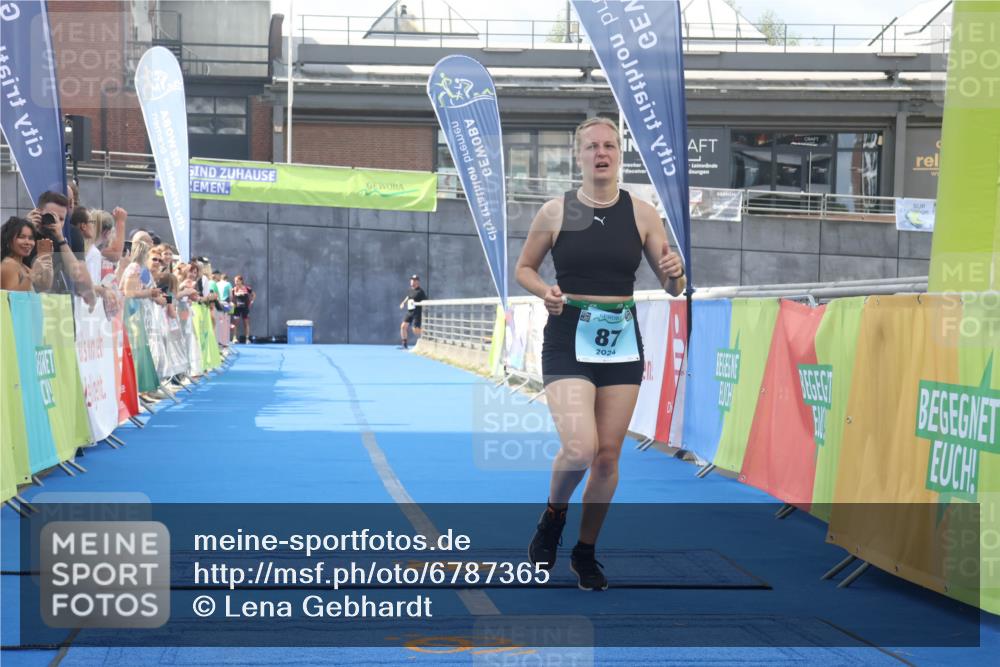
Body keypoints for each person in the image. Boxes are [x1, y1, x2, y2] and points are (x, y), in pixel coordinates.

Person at [515, 117, 685, 591]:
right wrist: (543, 291)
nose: (601, 153)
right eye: (592, 146)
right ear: (579, 155)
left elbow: (674, 287)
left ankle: (585, 552)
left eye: (609, 145)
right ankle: (553, 516)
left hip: (621, 338)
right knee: (580, 447)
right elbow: (524, 268)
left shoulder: (643, 212)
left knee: (608, 457)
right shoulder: (556, 211)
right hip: (568, 335)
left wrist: (676, 272)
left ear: (619, 154)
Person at [1, 216, 53, 292]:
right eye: (22, 237)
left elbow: (45, 285)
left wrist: (47, 259)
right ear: (8, 240)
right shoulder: (9, 265)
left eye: (31, 238)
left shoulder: (23, 266)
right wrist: (33, 273)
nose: (27, 242)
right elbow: (14, 299)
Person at [398, 274, 426, 350]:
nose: (412, 282)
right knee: (403, 326)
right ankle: (404, 345)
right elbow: (408, 297)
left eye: (414, 280)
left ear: (418, 282)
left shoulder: (421, 292)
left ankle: (427, 333)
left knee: (415, 331)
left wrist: (419, 305)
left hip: (417, 312)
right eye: (412, 280)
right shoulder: (410, 290)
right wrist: (403, 303)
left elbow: (425, 302)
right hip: (410, 311)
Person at [231, 274, 255, 343]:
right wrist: (233, 303)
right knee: (235, 323)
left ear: (241, 281)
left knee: (246, 323)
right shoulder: (234, 289)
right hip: (237, 309)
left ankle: (247, 338)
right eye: (235, 281)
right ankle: (234, 338)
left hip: (245, 308)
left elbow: (253, 295)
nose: (236, 282)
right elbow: (232, 298)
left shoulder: (247, 288)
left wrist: (251, 301)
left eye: (237, 281)